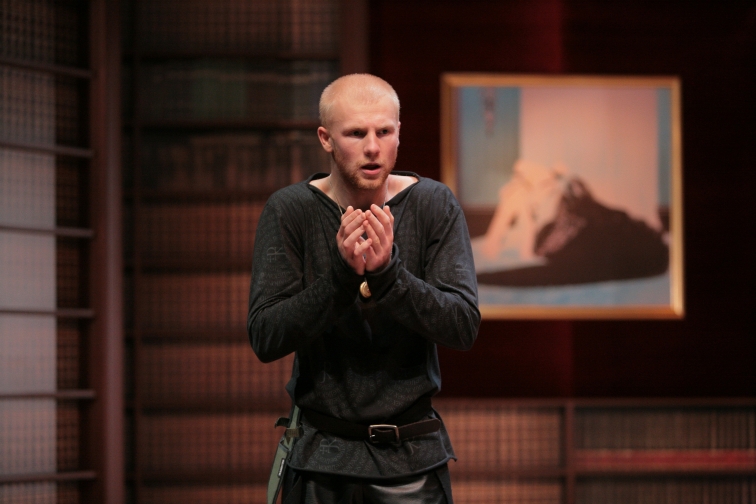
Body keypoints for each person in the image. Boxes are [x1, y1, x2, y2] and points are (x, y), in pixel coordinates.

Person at [248, 73, 480, 503]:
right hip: (321, 458)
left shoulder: (433, 204)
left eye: (384, 132)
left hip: (412, 456)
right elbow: (265, 336)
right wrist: (341, 277)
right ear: (326, 138)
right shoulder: (291, 210)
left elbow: (463, 326)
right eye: (356, 133)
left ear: (399, 134)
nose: (372, 147)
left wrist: (388, 274)